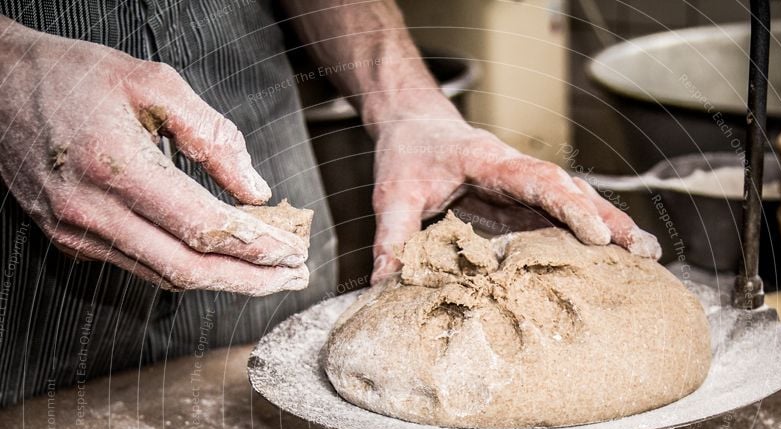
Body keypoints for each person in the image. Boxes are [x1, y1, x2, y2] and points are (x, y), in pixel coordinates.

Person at [0, 1, 660, 408]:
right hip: (22, 265)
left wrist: (407, 102)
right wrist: (10, 70)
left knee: (296, 408)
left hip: (255, 160)